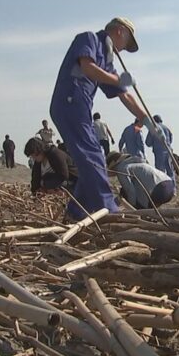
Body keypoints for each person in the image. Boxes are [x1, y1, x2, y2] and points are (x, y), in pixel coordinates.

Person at [49, 17, 162, 221]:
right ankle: (109, 208)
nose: (124, 49)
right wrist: (120, 80)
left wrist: (147, 121)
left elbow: (125, 95)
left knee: (92, 159)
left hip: (81, 108)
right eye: (127, 43)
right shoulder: (89, 39)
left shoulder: (108, 60)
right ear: (120, 31)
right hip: (69, 104)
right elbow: (88, 67)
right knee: (92, 156)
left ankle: (75, 213)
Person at [107, 152, 175, 209]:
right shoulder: (135, 163)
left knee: (126, 193)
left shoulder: (121, 168)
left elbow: (129, 191)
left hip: (158, 190)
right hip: (170, 186)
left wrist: (133, 207)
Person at [145, 114, 175, 180]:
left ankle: (164, 187)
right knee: (170, 171)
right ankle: (173, 187)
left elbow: (148, 142)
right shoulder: (166, 128)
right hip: (169, 151)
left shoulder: (154, 128)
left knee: (160, 172)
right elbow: (170, 140)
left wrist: (154, 143)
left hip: (159, 152)